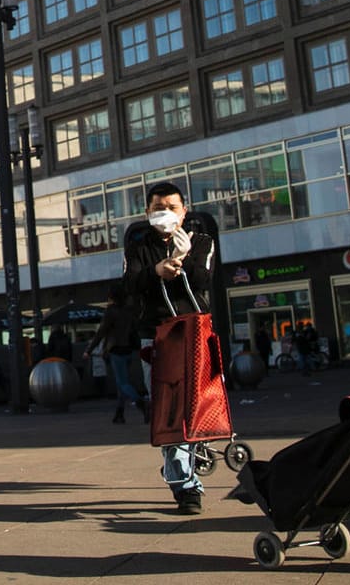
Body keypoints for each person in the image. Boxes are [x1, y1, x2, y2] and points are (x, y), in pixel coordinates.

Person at [121, 180, 217, 515]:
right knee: (171, 412)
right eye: (158, 208)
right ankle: (186, 486)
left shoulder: (201, 241)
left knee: (200, 407)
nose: (165, 213)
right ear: (147, 213)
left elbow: (204, 280)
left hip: (195, 333)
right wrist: (157, 271)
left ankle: (184, 460)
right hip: (158, 336)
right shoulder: (138, 246)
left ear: (184, 211)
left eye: (171, 207)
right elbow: (131, 283)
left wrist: (183, 257)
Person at [84, 282, 149, 424]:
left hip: (116, 350)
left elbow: (102, 331)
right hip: (128, 349)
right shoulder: (129, 310)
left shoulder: (111, 311)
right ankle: (119, 413)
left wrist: (89, 350)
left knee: (123, 382)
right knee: (122, 383)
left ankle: (141, 403)